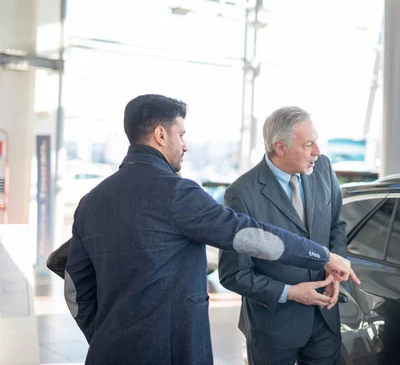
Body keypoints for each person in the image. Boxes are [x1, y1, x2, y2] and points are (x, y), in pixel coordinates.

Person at [63, 94, 358, 365]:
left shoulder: (90, 202)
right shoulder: (177, 194)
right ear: (161, 135)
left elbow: (76, 290)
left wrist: (105, 337)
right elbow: (247, 234)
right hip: (174, 353)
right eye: (181, 135)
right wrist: (320, 256)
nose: (185, 145)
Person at [218, 106, 348, 365]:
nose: (317, 151)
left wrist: (336, 268)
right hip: (274, 328)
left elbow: (337, 226)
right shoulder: (242, 194)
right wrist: (290, 292)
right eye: (308, 144)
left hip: (324, 320)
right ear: (280, 147)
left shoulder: (322, 168)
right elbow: (234, 274)